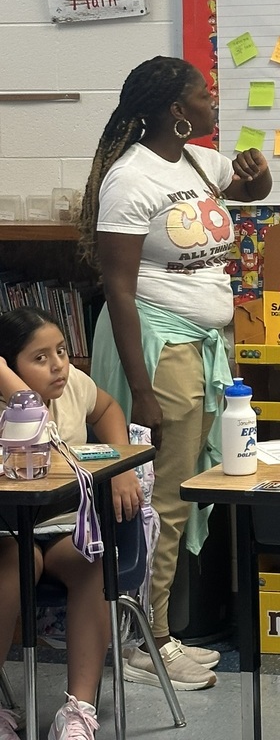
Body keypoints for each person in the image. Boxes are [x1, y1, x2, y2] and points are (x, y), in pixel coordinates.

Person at [78, 55, 272, 691]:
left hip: (203, 342)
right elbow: (120, 287)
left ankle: (159, 629)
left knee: (183, 489)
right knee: (162, 496)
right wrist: (140, 392)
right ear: (176, 111)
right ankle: (145, 643)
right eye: (204, 96)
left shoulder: (194, 163)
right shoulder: (130, 180)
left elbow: (243, 194)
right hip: (160, 349)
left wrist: (258, 178)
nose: (215, 105)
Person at [0, 307, 144, 740]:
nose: (59, 364)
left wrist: (121, 464)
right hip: (5, 533)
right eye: (40, 358)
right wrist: (11, 387)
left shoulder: (73, 386)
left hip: (64, 525)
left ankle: (78, 709)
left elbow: (109, 407)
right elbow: (31, 421)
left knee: (90, 560)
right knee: (11, 568)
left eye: (61, 351)